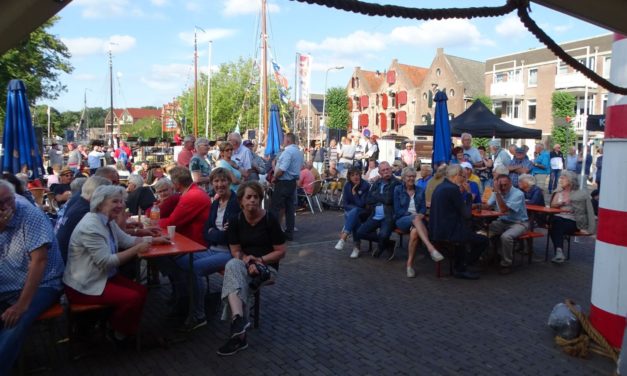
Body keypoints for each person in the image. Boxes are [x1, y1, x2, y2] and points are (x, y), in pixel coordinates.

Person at [63, 185, 169, 344]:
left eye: (121, 201)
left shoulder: (106, 220)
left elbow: (127, 241)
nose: (120, 205)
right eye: (114, 202)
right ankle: (119, 333)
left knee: (141, 290)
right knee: (132, 297)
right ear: (100, 204)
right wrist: (137, 249)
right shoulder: (91, 226)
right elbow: (106, 262)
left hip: (101, 277)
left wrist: (154, 240)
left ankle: (120, 330)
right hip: (85, 285)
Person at [0, 180, 65, 373]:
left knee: (15, 321)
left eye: (8, 200)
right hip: (7, 283)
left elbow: (39, 261)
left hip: (44, 282)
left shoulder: (28, 214)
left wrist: (21, 305)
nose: (5, 207)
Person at [217, 181, 286, 356]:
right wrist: (247, 260)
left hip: (266, 268)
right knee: (234, 265)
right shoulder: (236, 220)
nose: (253, 200)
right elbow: (235, 251)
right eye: (249, 197)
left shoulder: (270, 219)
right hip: (244, 265)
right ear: (241, 201)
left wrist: (259, 260)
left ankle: (238, 334)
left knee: (235, 278)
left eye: (256, 197)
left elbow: (280, 252)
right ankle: (239, 323)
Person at [174, 168, 241, 331]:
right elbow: (206, 231)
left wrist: (215, 233)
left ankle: (199, 315)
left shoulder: (236, 203)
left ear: (229, 182)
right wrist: (217, 233)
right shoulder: (216, 203)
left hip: (229, 253)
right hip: (212, 248)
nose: (220, 184)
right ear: (212, 183)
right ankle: (184, 302)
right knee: (179, 260)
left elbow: (230, 236)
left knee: (194, 268)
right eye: (216, 181)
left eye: (223, 180)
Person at [429, 165, 485, 279]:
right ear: (456, 175)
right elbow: (467, 214)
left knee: (468, 232)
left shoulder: (441, 186)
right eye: (463, 177)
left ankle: (461, 263)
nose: (464, 179)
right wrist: (469, 194)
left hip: (436, 229)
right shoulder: (452, 189)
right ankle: (462, 267)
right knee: (483, 240)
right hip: (449, 231)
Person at [394, 167, 444, 277]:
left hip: (418, 222)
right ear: (403, 178)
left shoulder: (420, 190)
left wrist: (420, 214)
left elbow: (422, 208)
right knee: (415, 219)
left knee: (415, 232)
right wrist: (413, 216)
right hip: (402, 219)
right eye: (408, 176)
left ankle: (409, 266)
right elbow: (398, 211)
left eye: (413, 176)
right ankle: (430, 248)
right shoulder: (398, 190)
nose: (411, 178)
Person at [55, 176, 111, 262]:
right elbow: (105, 258)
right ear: (99, 195)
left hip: (65, 258)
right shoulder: (86, 211)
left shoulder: (79, 202)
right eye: (108, 197)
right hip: (71, 265)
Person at [548, 171, 596, 263]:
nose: (560, 180)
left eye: (563, 178)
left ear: (570, 181)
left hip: (573, 221)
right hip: (559, 219)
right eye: (560, 177)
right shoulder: (558, 192)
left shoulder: (581, 194)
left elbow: (589, 210)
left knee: (554, 225)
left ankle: (559, 252)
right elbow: (552, 206)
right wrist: (561, 203)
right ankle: (559, 252)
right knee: (556, 223)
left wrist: (590, 228)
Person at [486, 174, 529, 274]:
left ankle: (506, 264)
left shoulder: (518, 194)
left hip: (519, 223)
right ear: (496, 184)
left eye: (505, 185)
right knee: (484, 231)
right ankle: (493, 254)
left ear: (510, 183)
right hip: (502, 221)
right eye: (501, 185)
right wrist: (474, 205)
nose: (503, 188)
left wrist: (497, 192)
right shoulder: (497, 191)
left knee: (506, 237)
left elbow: (504, 209)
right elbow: (487, 206)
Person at [356, 161, 400, 259]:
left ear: (391, 169)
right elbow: (368, 199)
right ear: (379, 173)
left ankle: (381, 245)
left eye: (387, 169)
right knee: (360, 233)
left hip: (388, 216)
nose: (386, 172)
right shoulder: (377, 182)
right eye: (383, 170)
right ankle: (389, 244)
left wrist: (375, 196)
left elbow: (388, 199)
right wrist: (380, 197)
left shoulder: (396, 183)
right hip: (375, 215)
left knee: (383, 235)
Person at [159, 167, 211, 247]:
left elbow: (172, 223)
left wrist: (154, 223)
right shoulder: (194, 191)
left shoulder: (192, 195)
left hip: (195, 246)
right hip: (191, 242)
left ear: (177, 184)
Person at [270, 133, 303, 241]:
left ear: (288, 141)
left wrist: (275, 177)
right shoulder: (299, 152)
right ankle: (289, 232)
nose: (282, 142)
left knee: (275, 207)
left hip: (283, 182)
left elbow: (283, 169)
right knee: (289, 209)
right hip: (292, 182)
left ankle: (273, 233)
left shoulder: (288, 152)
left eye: (284, 140)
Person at [334, 167, 370, 258]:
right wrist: (354, 209)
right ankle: (356, 247)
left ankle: (344, 237)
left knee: (354, 214)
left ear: (360, 175)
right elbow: (345, 204)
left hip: (364, 212)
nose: (355, 177)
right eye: (352, 175)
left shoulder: (365, 185)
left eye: (357, 174)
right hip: (351, 211)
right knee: (354, 216)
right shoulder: (347, 186)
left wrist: (354, 193)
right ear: (349, 177)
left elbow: (362, 204)